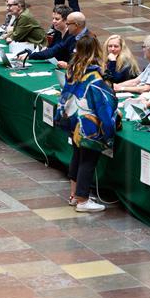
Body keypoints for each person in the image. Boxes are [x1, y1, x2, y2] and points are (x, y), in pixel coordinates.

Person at [58, 36, 116, 213]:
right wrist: (109, 127)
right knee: (88, 160)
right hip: (89, 125)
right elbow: (105, 102)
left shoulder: (73, 69)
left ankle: (74, 195)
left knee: (77, 155)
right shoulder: (94, 75)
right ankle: (83, 200)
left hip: (73, 119)